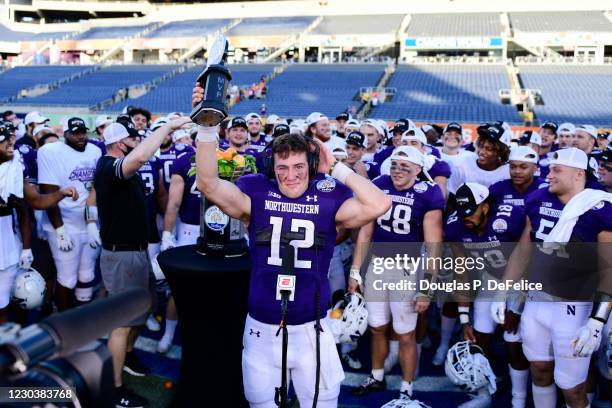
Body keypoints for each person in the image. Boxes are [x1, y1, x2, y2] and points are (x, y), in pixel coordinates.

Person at [192, 82, 391, 408]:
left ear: (312, 168)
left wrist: (337, 168)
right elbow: (209, 183)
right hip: (261, 326)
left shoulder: (328, 193)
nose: (291, 175)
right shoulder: (255, 191)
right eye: (282, 167)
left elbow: (379, 203)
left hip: (313, 327)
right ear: (272, 169)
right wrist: (206, 127)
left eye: (299, 166)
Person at [493, 147, 612, 408]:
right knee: (540, 371)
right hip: (536, 301)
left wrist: (596, 321)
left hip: (574, 306)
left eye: (557, 170)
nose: (549, 175)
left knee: (571, 387)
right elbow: (524, 251)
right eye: (549, 169)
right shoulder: (537, 200)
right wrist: (504, 293)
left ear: (579, 174)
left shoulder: (599, 207)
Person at [94, 117, 190, 408]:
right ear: (121, 143)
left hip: (135, 251)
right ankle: (113, 389)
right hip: (122, 254)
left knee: (146, 304)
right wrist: (166, 129)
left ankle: (128, 353)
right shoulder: (109, 166)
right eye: (132, 137)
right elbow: (138, 158)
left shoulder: (116, 165)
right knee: (122, 323)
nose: (137, 140)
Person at [350, 146, 443, 405]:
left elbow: (434, 243)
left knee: (405, 333)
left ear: (419, 169)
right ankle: (377, 375)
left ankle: (406, 387)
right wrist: (356, 271)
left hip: (407, 269)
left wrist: (427, 287)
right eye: (395, 164)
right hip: (378, 266)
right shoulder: (379, 184)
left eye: (405, 166)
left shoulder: (429, 192)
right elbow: (366, 233)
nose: (398, 170)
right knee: (377, 327)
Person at [445, 183, 529, 408]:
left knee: (514, 342)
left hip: (524, 280)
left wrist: (518, 307)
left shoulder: (509, 218)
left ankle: (518, 399)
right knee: (478, 338)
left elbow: (531, 259)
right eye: (461, 212)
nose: (465, 218)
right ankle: (484, 392)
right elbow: (460, 271)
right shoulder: (456, 226)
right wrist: (464, 319)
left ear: (485, 207)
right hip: (491, 278)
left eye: (470, 211)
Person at [0, 125, 78, 322]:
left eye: (11, 140)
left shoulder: (14, 168)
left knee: (7, 303)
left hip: (7, 245)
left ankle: (11, 342)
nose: (12, 144)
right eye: (5, 141)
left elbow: (32, 204)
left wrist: (60, 193)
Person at [37, 117, 102, 310]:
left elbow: (94, 191)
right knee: (67, 277)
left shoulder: (95, 150)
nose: (81, 136)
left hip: (89, 221)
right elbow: (48, 193)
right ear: (64, 134)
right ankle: (65, 322)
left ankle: (83, 318)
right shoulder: (50, 152)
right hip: (64, 223)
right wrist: (60, 230)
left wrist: (91, 222)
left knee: (87, 274)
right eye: (75, 133)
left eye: (83, 131)